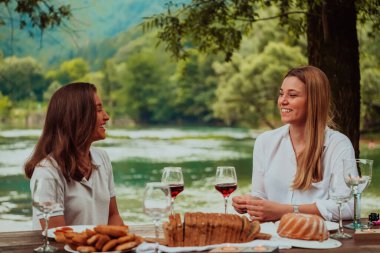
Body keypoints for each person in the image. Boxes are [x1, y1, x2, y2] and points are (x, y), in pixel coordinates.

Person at [232, 65, 355, 222]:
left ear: (313, 101)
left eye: (292, 95)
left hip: (319, 239)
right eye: (281, 94)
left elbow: (348, 207)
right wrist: (250, 203)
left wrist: (285, 211)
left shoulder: (338, 145)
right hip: (274, 237)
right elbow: (260, 196)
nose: (283, 101)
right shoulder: (264, 142)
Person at [24, 82, 124, 229]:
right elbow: (57, 235)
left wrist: (116, 243)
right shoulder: (47, 171)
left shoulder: (102, 158)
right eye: (98, 110)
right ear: (77, 117)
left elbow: (113, 215)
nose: (107, 116)